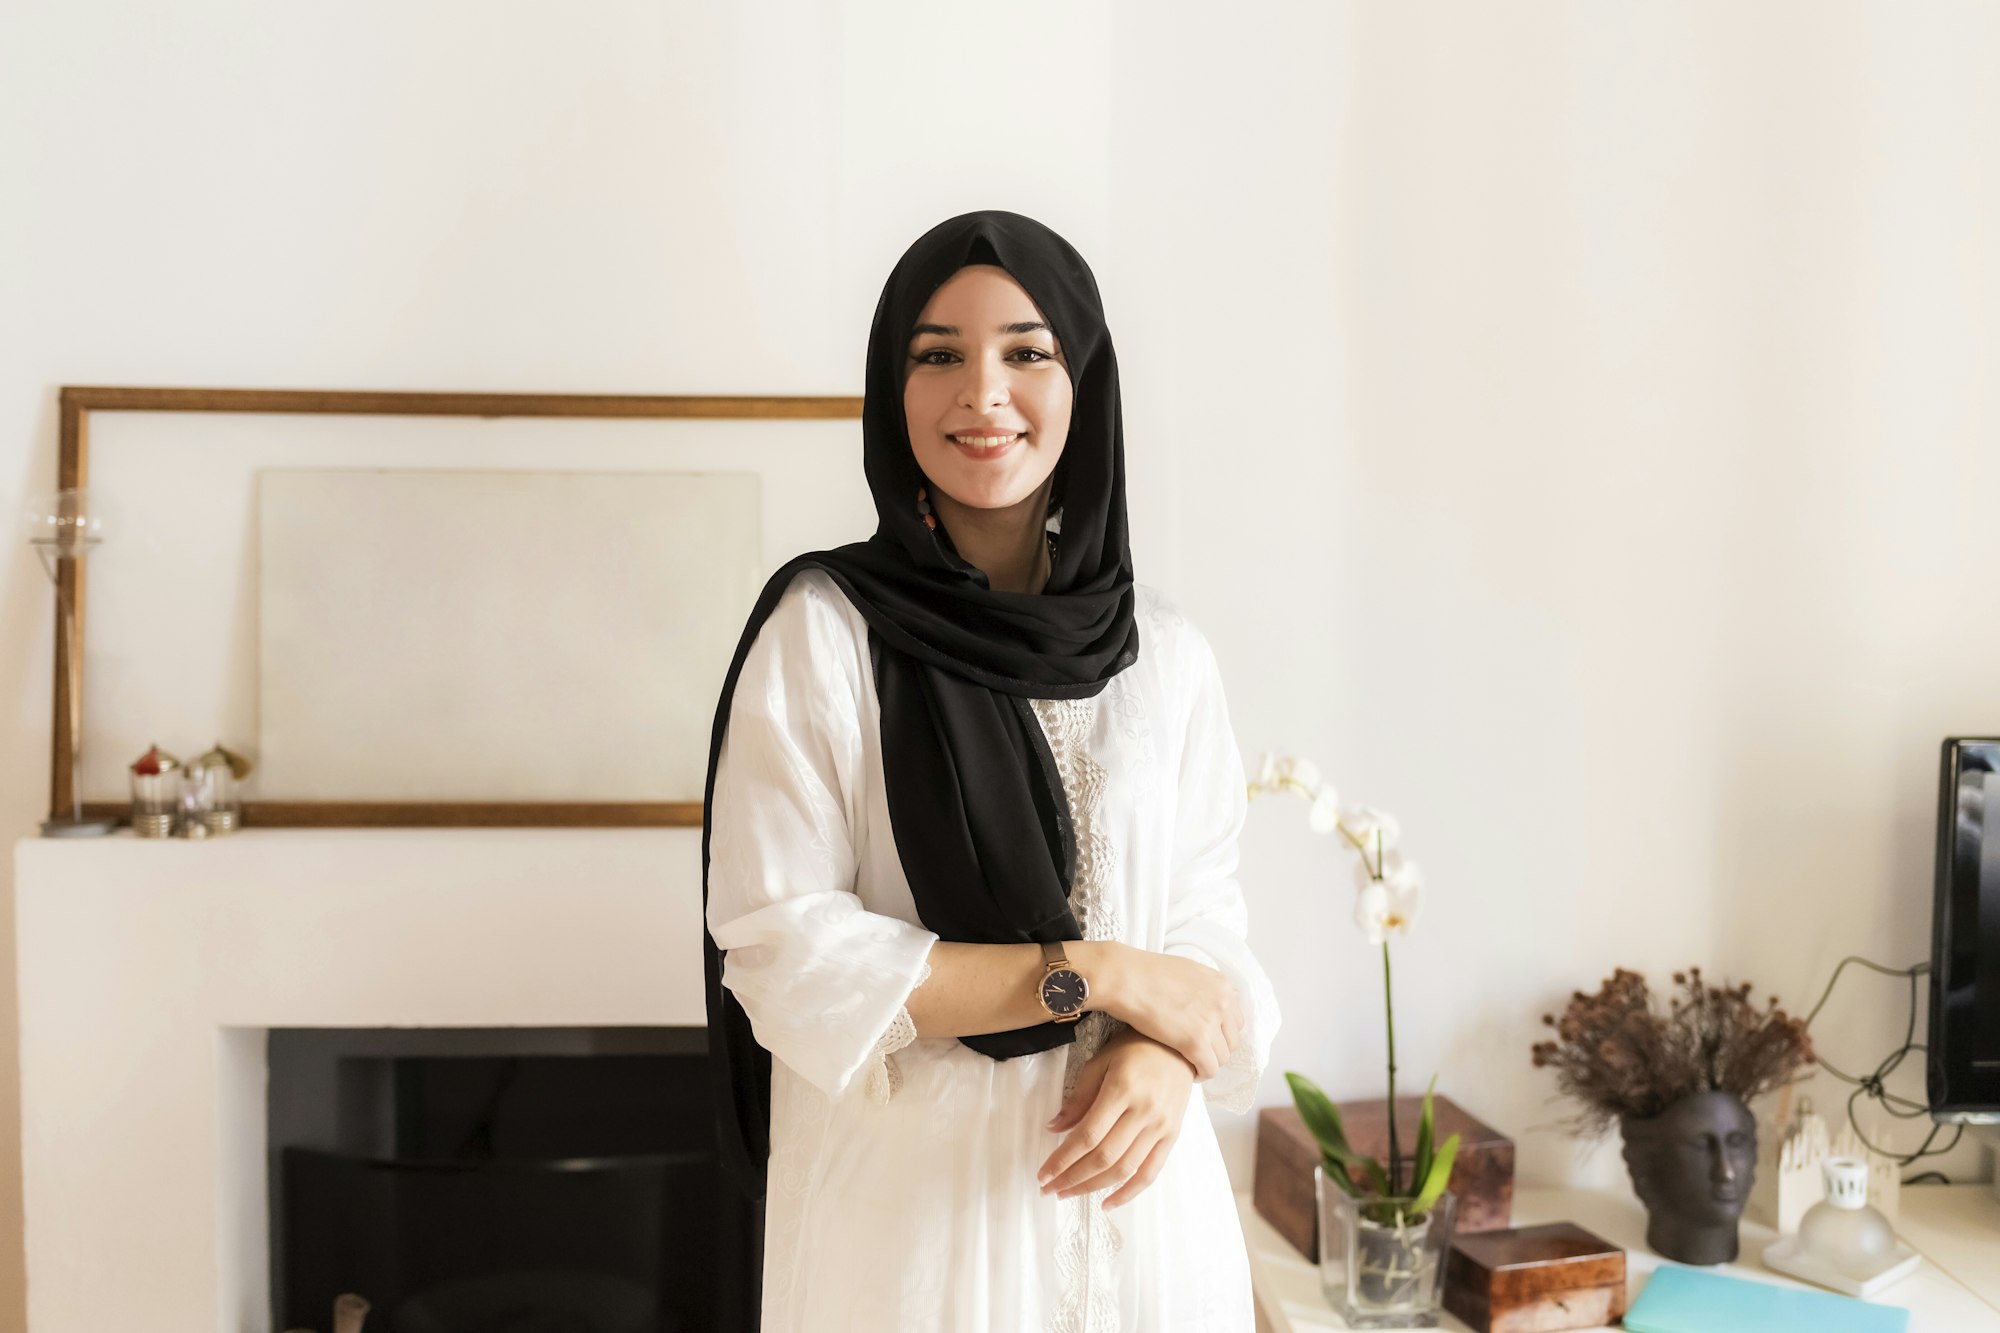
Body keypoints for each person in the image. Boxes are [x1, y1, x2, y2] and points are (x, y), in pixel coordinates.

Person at [701, 209, 1281, 1331]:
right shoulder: (825, 632)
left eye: (1026, 351)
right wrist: (1098, 975)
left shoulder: (1162, 654)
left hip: (1146, 1232)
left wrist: (1168, 1054)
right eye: (937, 355)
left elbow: (1207, 925)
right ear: (891, 386)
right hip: (919, 1241)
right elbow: (783, 950)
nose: (981, 392)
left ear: (1086, 385)